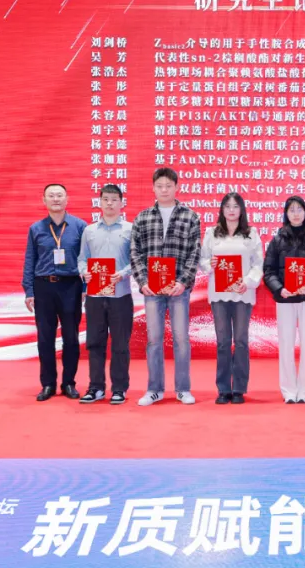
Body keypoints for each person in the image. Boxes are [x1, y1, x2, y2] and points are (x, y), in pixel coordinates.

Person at [129, 168, 201, 406]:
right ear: (153, 188)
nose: (164, 190)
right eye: (160, 186)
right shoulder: (142, 218)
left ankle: (183, 389)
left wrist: (183, 282)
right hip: (152, 290)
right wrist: (143, 282)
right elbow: (135, 252)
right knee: (154, 340)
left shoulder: (190, 216)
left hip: (179, 289)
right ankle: (154, 389)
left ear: (177, 187)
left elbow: (194, 252)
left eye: (169, 186)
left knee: (181, 339)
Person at [22, 184, 87, 402]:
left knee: (71, 337)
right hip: (44, 287)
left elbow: (86, 259)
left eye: (60, 195)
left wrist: (85, 288)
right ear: (44, 200)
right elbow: (30, 260)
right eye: (51, 196)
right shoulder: (36, 228)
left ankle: (69, 382)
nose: (56, 199)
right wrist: (29, 290)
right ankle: (48, 384)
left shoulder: (80, 226)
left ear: (67, 199)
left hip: (71, 286)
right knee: (45, 338)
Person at [263, 196, 305, 404]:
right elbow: (268, 271)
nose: (296, 214)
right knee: (286, 344)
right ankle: (289, 390)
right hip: (285, 299)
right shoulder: (277, 240)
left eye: (299, 209)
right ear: (286, 213)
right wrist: (279, 288)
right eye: (291, 210)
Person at [199, 192, 264, 404]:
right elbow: (202, 260)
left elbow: (258, 263)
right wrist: (210, 265)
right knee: (223, 342)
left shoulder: (251, 233)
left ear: (242, 209)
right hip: (219, 294)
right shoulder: (212, 233)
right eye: (227, 206)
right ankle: (223, 389)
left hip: (242, 293)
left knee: (241, 341)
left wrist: (248, 281)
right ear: (222, 209)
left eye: (236, 206)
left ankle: (239, 389)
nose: (231, 210)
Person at [77, 184, 134, 405]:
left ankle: (119, 388)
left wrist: (123, 273)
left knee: (120, 344)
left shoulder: (130, 229)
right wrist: (84, 272)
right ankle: (96, 387)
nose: (110, 203)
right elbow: (82, 259)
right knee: (94, 342)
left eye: (114, 199)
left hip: (121, 295)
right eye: (106, 199)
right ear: (99, 202)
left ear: (121, 203)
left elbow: (136, 261)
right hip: (95, 296)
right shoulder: (89, 230)